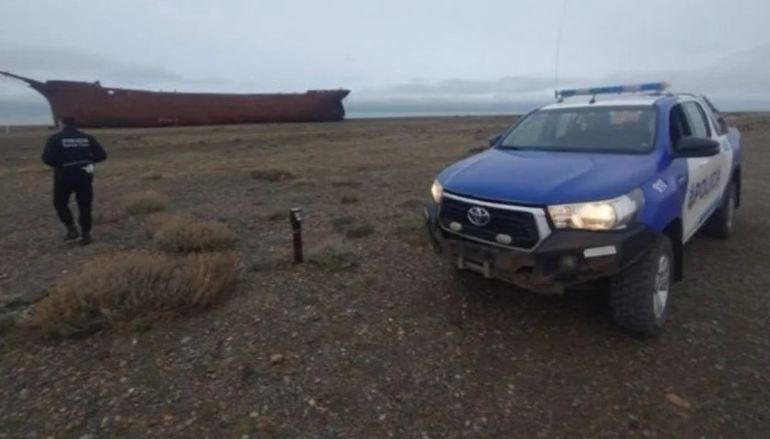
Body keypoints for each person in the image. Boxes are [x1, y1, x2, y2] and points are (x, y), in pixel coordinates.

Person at [42, 117, 107, 245]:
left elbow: (47, 158)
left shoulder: (55, 139)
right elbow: (102, 155)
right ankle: (86, 234)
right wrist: (88, 161)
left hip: (64, 175)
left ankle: (71, 229)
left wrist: (61, 164)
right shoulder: (87, 138)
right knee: (85, 204)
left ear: (62, 124)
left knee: (60, 202)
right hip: (84, 173)